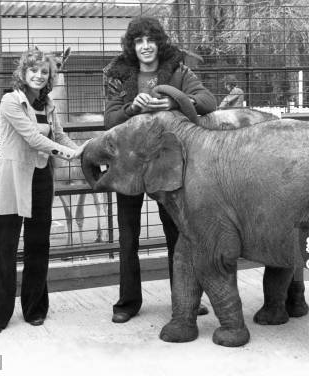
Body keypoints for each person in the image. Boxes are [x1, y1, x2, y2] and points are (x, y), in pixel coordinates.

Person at [103, 16, 216, 324]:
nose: (145, 46)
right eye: (138, 41)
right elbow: (110, 119)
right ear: (132, 46)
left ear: (159, 42)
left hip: (169, 163)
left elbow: (207, 100)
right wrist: (132, 108)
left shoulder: (179, 69)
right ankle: (128, 302)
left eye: (150, 40)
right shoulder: (118, 74)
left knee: (176, 233)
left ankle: (184, 297)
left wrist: (175, 101)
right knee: (128, 237)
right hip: (129, 164)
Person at [0, 47, 86, 334]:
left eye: (44, 71)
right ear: (23, 72)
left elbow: (59, 134)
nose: (39, 75)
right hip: (15, 179)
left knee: (38, 245)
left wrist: (82, 150)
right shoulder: (10, 101)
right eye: (34, 70)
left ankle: (35, 308)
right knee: (5, 247)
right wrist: (69, 154)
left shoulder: (48, 104)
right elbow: (32, 138)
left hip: (41, 178)